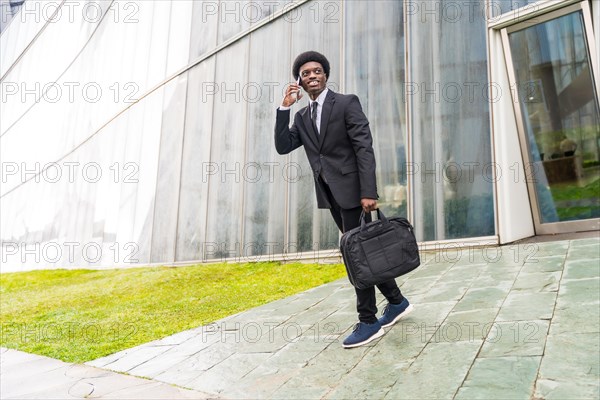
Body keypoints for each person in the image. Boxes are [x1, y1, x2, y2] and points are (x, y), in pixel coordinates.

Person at [274, 51, 413, 348]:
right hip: (330, 195)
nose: (312, 76)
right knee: (362, 250)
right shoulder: (301, 116)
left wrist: (368, 192)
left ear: (325, 75)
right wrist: (283, 108)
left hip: (354, 192)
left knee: (356, 256)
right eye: (306, 73)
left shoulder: (347, 102)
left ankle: (368, 321)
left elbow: (364, 147)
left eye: (317, 71)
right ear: (299, 79)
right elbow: (283, 146)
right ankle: (397, 302)